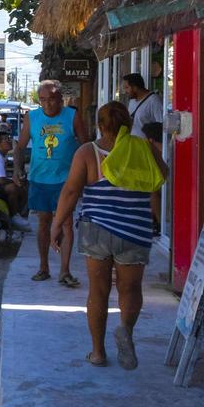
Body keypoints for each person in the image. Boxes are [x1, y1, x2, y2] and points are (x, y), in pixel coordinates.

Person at [50, 101, 156, 369]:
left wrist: (57, 223)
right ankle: (125, 330)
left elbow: (71, 192)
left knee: (98, 290)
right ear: (129, 124)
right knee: (130, 288)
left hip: (97, 230)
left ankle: (97, 353)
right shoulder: (142, 149)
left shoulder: (88, 152)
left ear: (99, 125)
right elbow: (161, 179)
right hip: (134, 229)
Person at [14, 80, 90, 287]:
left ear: (61, 99)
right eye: (43, 100)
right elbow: (19, 147)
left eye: (52, 100)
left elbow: (86, 145)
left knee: (66, 223)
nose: (48, 104)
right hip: (39, 179)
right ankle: (43, 267)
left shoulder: (72, 116)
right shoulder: (32, 117)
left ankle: (65, 270)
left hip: (66, 180)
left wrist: (85, 175)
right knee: (44, 223)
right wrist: (17, 170)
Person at [121, 73, 163, 141]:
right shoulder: (132, 101)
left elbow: (161, 125)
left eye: (127, 87)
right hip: (133, 144)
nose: (125, 91)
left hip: (147, 147)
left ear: (135, 87)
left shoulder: (154, 100)